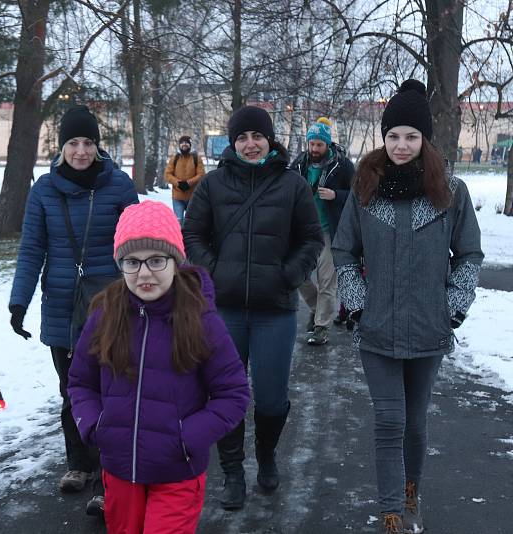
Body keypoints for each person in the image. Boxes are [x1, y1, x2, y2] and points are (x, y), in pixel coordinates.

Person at [332, 79, 483, 534]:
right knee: (389, 419)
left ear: (425, 139)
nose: (401, 145)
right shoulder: (365, 188)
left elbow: (470, 255)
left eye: (411, 136)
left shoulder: (451, 192)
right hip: (376, 328)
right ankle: (391, 510)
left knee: (415, 422)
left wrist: (453, 305)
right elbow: (343, 251)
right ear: (384, 137)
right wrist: (356, 303)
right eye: (393, 135)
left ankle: (411, 489)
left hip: (428, 327)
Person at [68, 200, 250, 534]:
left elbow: (233, 394)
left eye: (156, 260)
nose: (144, 273)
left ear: (176, 261)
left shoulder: (201, 319)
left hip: (177, 472)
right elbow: (81, 382)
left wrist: (187, 436)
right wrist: (95, 425)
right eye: (132, 263)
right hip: (120, 469)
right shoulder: (105, 315)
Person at [182, 105, 323, 509]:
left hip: (275, 310)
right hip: (224, 310)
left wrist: (288, 274)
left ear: (269, 139)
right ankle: (231, 473)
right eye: (242, 137)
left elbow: (312, 239)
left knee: (273, 398)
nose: (250, 144)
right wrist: (215, 272)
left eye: (257, 136)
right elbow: (192, 234)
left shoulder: (292, 185)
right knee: (225, 395)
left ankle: (266, 456)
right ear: (232, 142)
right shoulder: (212, 184)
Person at [8, 104, 138, 515]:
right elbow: (32, 249)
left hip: (110, 304)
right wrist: (18, 302)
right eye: (73, 143)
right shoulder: (44, 189)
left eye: (88, 143)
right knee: (72, 390)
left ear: (98, 146)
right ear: (61, 146)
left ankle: (108, 478)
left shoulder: (118, 186)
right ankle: (77, 464)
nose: (81, 151)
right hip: (62, 304)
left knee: (111, 391)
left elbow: (139, 244)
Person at [289, 117, 355, 345]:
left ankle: (321, 327)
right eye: (312, 144)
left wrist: (336, 195)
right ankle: (318, 308)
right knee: (297, 275)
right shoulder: (298, 164)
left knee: (328, 280)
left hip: (330, 229)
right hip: (303, 230)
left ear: (327, 144)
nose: (315, 148)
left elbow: (359, 196)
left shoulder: (342, 165)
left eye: (319, 144)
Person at [163, 135, 206, 224]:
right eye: (182, 143)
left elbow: (201, 174)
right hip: (178, 197)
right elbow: (167, 174)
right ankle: (179, 238)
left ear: (190, 145)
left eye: (186, 142)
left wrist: (188, 183)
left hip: (193, 197)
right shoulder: (175, 158)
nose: (184, 144)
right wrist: (178, 183)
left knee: (192, 222)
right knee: (178, 222)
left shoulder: (196, 158)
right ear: (179, 145)